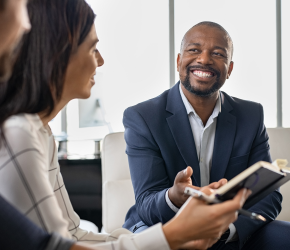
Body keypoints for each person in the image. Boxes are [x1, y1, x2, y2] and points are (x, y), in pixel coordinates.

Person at [0, 0, 252, 249]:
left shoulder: (41, 133)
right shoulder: (18, 132)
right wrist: (173, 235)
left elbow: (71, 234)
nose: (101, 60)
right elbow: (58, 246)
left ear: (229, 68)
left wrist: (164, 238)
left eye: (217, 54)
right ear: (56, 52)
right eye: (92, 48)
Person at [123, 21, 289, 249]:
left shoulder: (251, 115)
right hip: (163, 224)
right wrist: (173, 195)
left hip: (230, 230)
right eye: (194, 50)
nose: (204, 59)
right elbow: (147, 203)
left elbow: (269, 196)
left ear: (229, 69)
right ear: (179, 61)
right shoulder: (142, 117)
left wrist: (223, 230)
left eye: (218, 53)